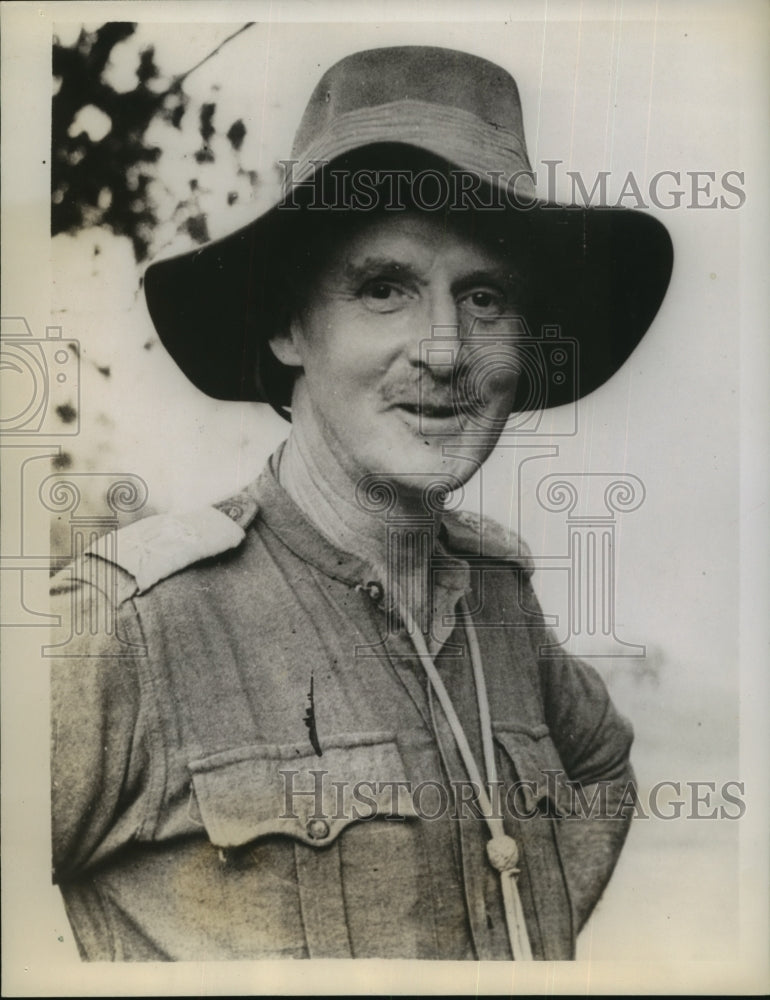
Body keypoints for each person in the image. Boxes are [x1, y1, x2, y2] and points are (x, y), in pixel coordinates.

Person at [49, 45, 673, 961]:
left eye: (486, 297)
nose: (447, 351)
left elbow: (602, 766)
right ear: (289, 325)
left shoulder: (498, 600)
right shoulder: (131, 626)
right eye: (385, 289)